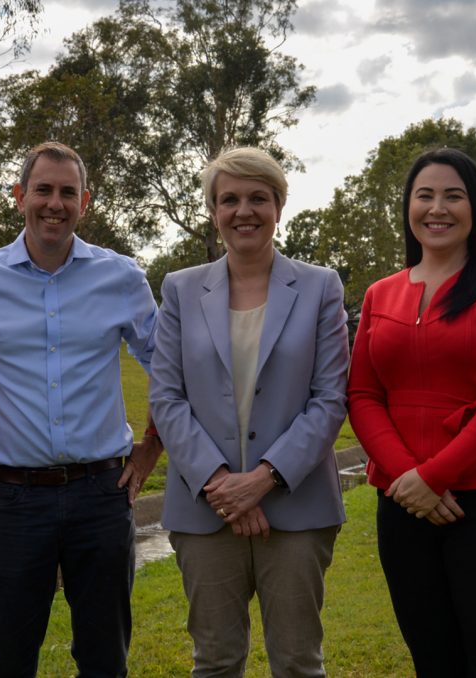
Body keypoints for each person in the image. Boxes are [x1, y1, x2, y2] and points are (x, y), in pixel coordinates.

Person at [0, 141, 162, 678]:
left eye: (67, 192)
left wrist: (148, 451)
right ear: (19, 195)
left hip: (101, 496)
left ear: (85, 202)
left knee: (104, 662)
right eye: (43, 190)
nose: (55, 203)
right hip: (15, 501)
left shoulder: (121, 279)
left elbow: (169, 367)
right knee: (7, 662)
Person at [347, 147, 476, 677]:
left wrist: (434, 476)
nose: (437, 208)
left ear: (474, 208)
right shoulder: (379, 295)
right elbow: (364, 395)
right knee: (434, 661)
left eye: (453, 196)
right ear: (408, 207)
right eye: (425, 195)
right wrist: (407, 479)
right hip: (403, 507)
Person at [149, 147, 349, 677]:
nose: (244, 211)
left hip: (297, 509)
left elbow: (330, 398)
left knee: (299, 663)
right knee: (214, 661)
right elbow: (166, 398)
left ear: (279, 207)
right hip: (204, 510)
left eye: (258, 198)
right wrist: (223, 485)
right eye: (229, 199)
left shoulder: (320, 286)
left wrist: (263, 480)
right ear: (214, 212)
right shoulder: (180, 289)